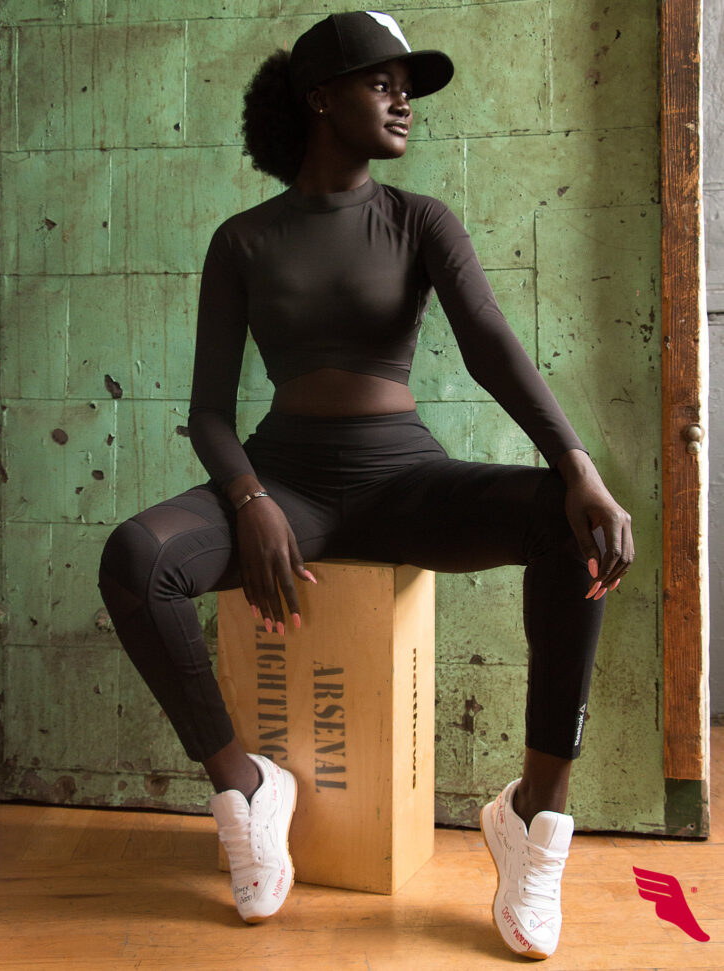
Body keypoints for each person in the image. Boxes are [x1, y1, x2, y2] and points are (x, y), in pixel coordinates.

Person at [98, 10, 634, 959]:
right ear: (320, 98)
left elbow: (490, 345)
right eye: (382, 83)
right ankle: (245, 788)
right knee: (136, 559)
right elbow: (209, 412)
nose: (404, 102)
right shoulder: (243, 240)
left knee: (571, 526)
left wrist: (577, 467)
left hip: (404, 481)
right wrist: (251, 498)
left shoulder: (419, 219)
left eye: (408, 87)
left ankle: (534, 814)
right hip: (287, 484)